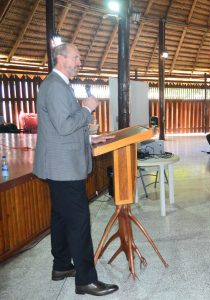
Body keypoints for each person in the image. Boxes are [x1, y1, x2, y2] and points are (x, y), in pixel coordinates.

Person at [33, 43, 118, 296]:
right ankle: (85, 280)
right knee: (79, 222)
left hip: (58, 165)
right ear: (61, 58)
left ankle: (60, 266)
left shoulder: (56, 85)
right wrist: (87, 109)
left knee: (60, 217)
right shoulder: (56, 86)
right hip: (64, 168)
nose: (79, 62)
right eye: (76, 57)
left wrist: (90, 139)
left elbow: (58, 129)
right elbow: (63, 125)